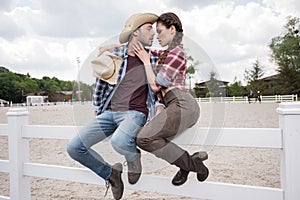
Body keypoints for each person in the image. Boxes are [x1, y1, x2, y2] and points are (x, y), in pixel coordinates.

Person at [67, 13, 159, 200]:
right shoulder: (115, 56)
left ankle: (133, 158)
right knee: (74, 147)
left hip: (135, 113)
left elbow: (159, 88)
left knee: (119, 141)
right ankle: (111, 174)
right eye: (149, 28)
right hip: (109, 113)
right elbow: (100, 85)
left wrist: (158, 110)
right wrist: (97, 109)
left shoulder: (154, 58)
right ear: (135, 32)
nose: (154, 33)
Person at [133, 12, 209, 186]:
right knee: (148, 137)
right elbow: (144, 50)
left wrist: (146, 62)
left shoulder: (177, 53)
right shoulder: (165, 54)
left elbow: (155, 86)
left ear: (172, 29)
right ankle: (191, 163)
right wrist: (111, 48)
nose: (157, 36)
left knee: (143, 138)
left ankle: (191, 164)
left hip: (183, 104)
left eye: (159, 31)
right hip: (173, 105)